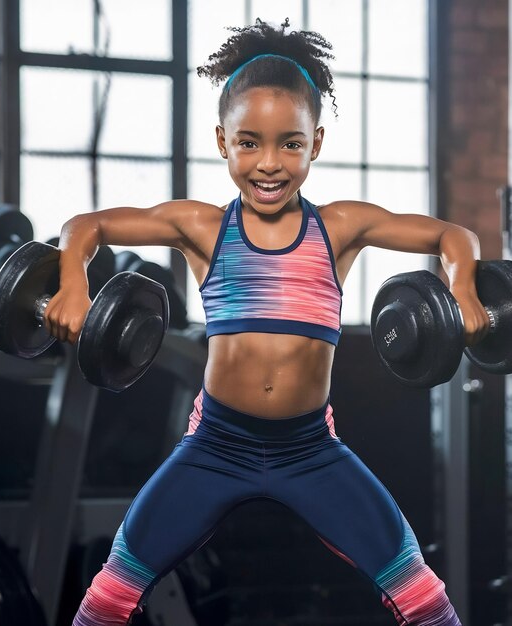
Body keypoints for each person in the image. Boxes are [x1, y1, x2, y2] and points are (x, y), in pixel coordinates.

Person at [55, 19, 488, 626]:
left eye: (290, 143)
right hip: (215, 447)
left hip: (310, 450)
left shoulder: (338, 228)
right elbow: (86, 226)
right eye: (249, 142)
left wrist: (462, 283)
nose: (269, 164)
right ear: (222, 141)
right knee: (109, 596)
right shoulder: (204, 227)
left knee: (422, 596)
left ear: (316, 143)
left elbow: (452, 235)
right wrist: (73, 280)